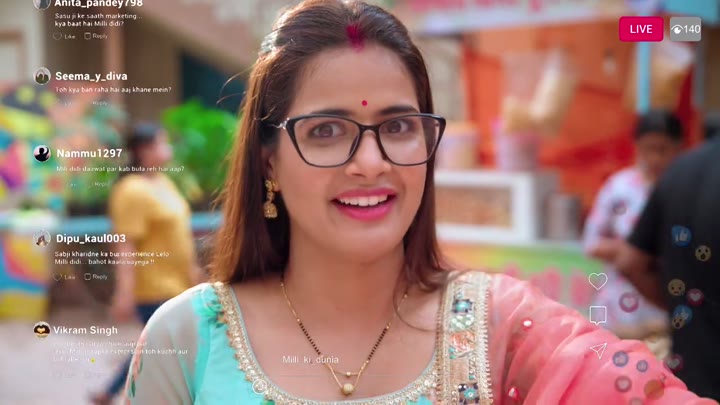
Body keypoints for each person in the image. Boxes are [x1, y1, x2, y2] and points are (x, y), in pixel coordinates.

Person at [122, 1, 718, 404]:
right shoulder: (189, 339)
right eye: (326, 130)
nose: (371, 162)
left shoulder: (505, 329)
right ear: (268, 161)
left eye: (398, 126)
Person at [89, 122, 205, 405]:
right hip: (153, 287)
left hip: (177, 284)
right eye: (162, 143)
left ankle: (110, 392)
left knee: (156, 345)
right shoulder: (131, 190)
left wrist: (194, 274)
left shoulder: (164, 182)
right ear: (143, 150)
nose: (168, 149)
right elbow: (125, 244)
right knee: (164, 345)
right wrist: (124, 292)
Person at [618, 113, 720, 400]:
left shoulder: (678, 172)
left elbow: (630, 262)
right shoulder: (624, 185)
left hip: (690, 382)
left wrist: (682, 306)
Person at [583, 110, 682, 341]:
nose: (655, 158)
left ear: (679, 148)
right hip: (619, 306)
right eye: (648, 149)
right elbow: (591, 242)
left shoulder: (684, 190)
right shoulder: (619, 188)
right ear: (637, 147)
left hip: (664, 305)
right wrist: (632, 254)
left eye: (663, 150)